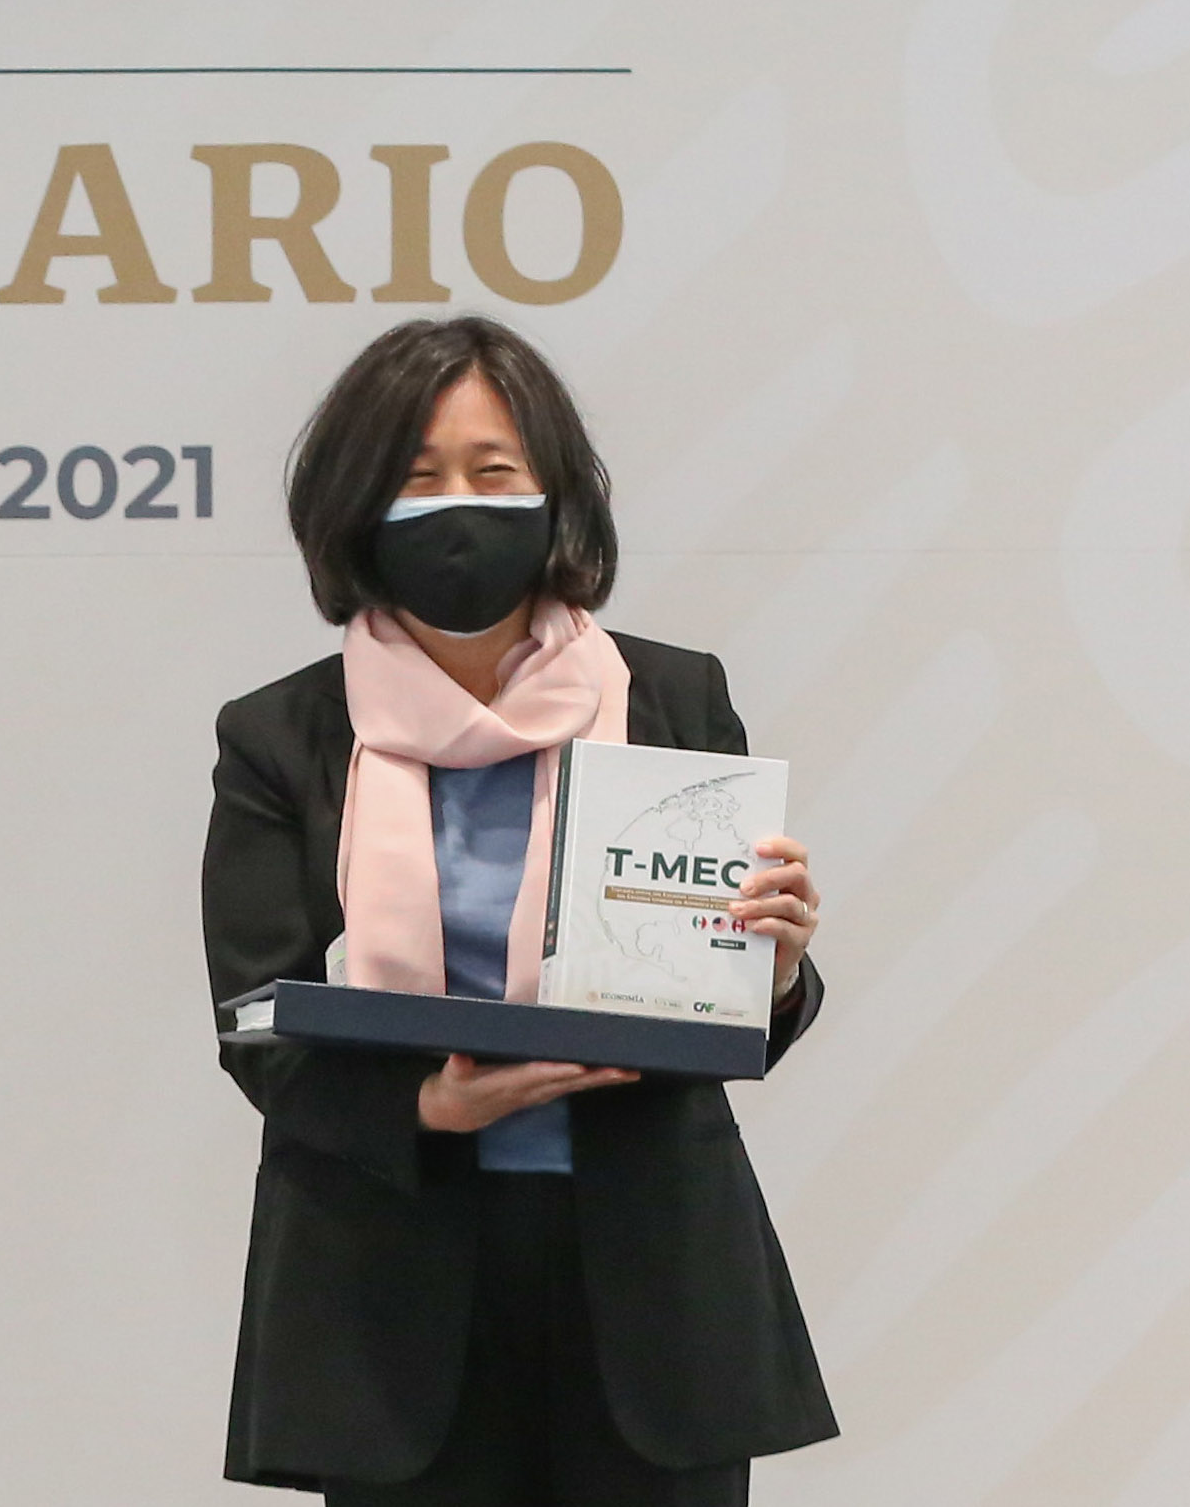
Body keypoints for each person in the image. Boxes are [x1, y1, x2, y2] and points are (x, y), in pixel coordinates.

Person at [199, 317, 836, 1506]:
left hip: (648, 1287)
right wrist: (426, 1101)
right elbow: (254, 1017)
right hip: (393, 1282)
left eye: (495, 473)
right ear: (351, 503)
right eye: (417, 476)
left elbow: (737, 1012)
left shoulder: (672, 696)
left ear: (555, 494)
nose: (460, 508)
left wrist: (779, 962)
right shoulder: (283, 733)